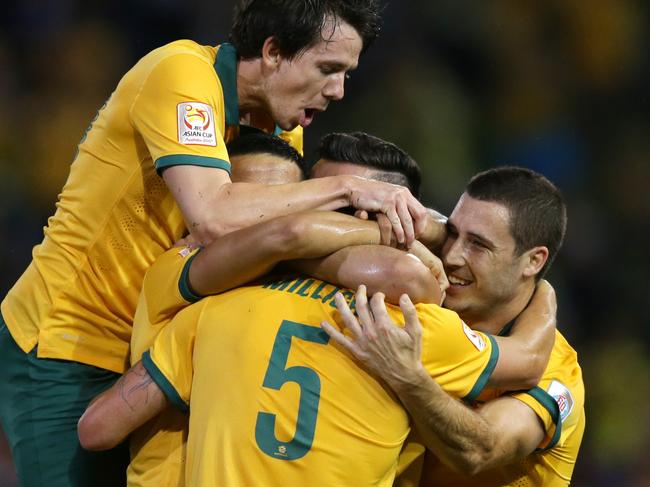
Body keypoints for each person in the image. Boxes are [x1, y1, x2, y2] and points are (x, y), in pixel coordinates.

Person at [0, 2, 435, 485]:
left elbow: (273, 245)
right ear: (272, 52)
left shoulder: (281, 122)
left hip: (165, 346)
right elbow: (213, 217)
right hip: (71, 343)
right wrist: (348, 189)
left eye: (346, 74)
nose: (337, 90)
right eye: (328, 69)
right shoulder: (181, 74)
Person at [327, 166, 585, 486]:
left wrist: (409, 378)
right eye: (452, 234)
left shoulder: (556, 369)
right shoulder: (424, 308)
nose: (452, 256)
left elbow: (481, 450)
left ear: (533, 261)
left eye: (478, 245)